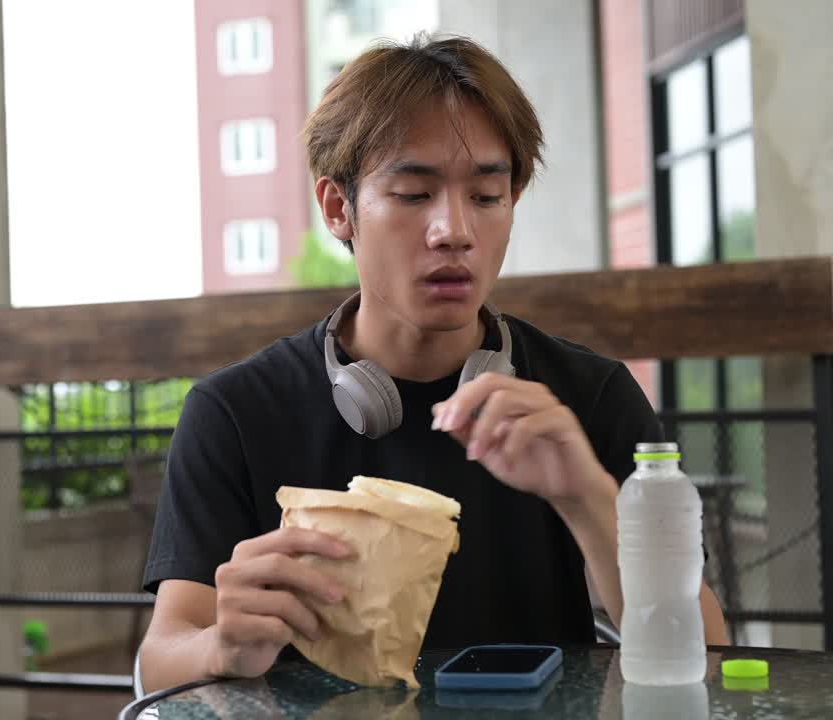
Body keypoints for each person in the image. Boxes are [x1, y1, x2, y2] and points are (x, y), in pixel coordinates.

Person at [138, 35, 727, 692]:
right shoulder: (236, 413)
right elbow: (159, 659)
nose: (455, 230)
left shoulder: (589, 397)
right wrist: (221, 645)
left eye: (486, 195)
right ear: (339, 208)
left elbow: (707, 659)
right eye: (415, 194)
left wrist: (586, 497)